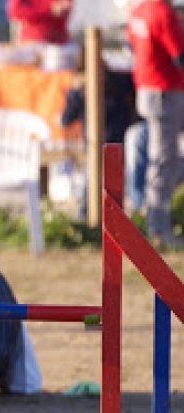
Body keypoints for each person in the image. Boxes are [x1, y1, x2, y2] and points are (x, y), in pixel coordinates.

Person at [126, 0, 184, 248]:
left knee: (161, 158)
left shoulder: (140, 11)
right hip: (164, 91)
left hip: (149, 89)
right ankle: (158, 228)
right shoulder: (162, 13)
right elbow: (180, 56)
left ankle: (154, 220)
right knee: (163, 160)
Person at [60, 57, 143, 217]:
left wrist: (75, 93)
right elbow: (66, 119)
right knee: (102, 188)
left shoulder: (114, 84)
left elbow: (66, 119)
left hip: (106, 145)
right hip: (112, 144)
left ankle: (88, 220)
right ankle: (91, 220)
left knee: (96, 186)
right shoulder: (118, 82)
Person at [7, 0, 73, 45]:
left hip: (59, 44)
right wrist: (48, 9)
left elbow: (65, 7)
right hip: (31, 42)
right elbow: (14, 11)